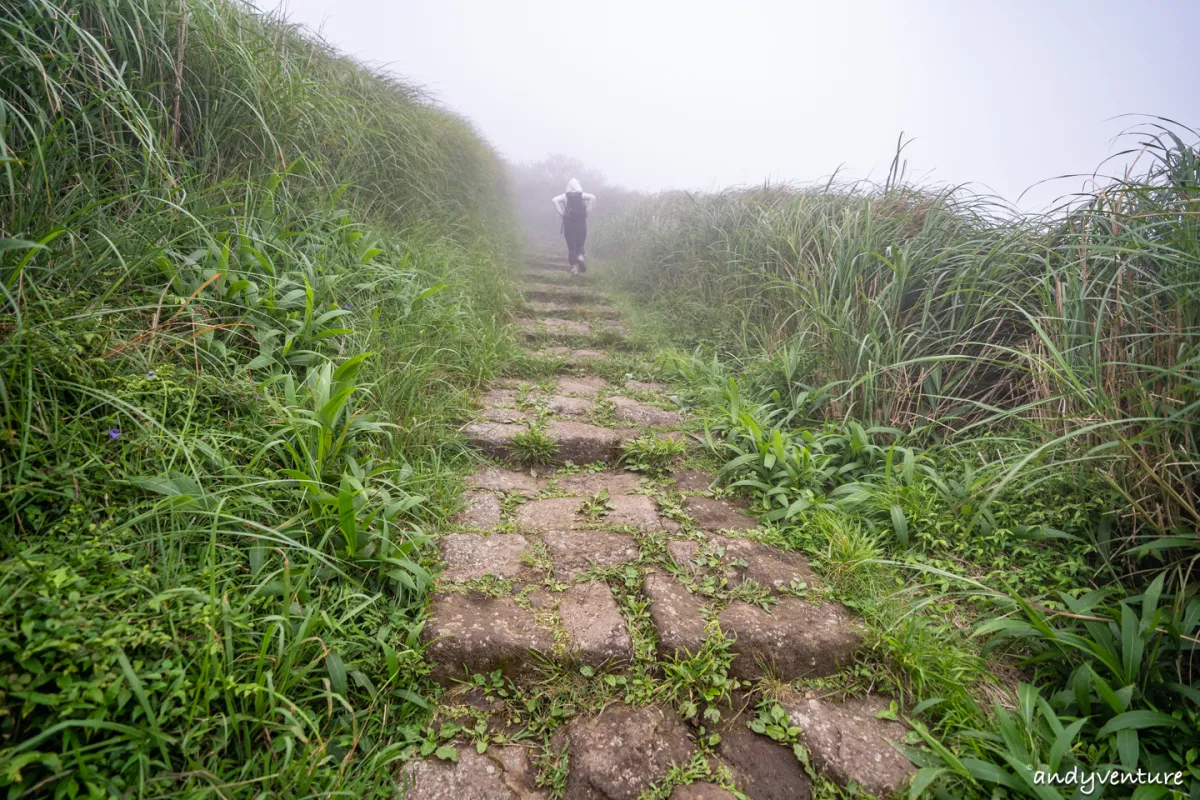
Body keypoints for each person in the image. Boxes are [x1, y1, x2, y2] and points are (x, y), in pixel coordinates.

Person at [552, 178, 595, 275]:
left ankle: (574, 268)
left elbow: (554, 200)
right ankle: (580, 257)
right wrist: (588, 211)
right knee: (580, 244)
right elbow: (593, 197)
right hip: (581, 223)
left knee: (571, 247)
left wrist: (561, 213)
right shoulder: (581, 195)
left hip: (569, 224)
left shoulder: (565, 196)